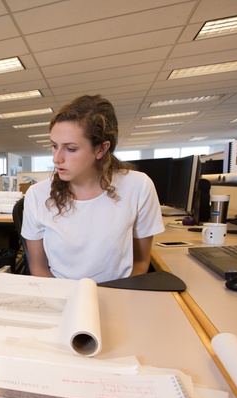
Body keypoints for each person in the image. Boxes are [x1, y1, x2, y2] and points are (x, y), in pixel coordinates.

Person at [21, 94, 164, 283]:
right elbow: (38, 267)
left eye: (70, 149)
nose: (57, 158)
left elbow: (141, 262)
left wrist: (113, 296)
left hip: (118, 292)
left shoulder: (138, 186)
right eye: (54, 146)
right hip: (61, 294)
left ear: (101, 149)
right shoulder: (37, 195)